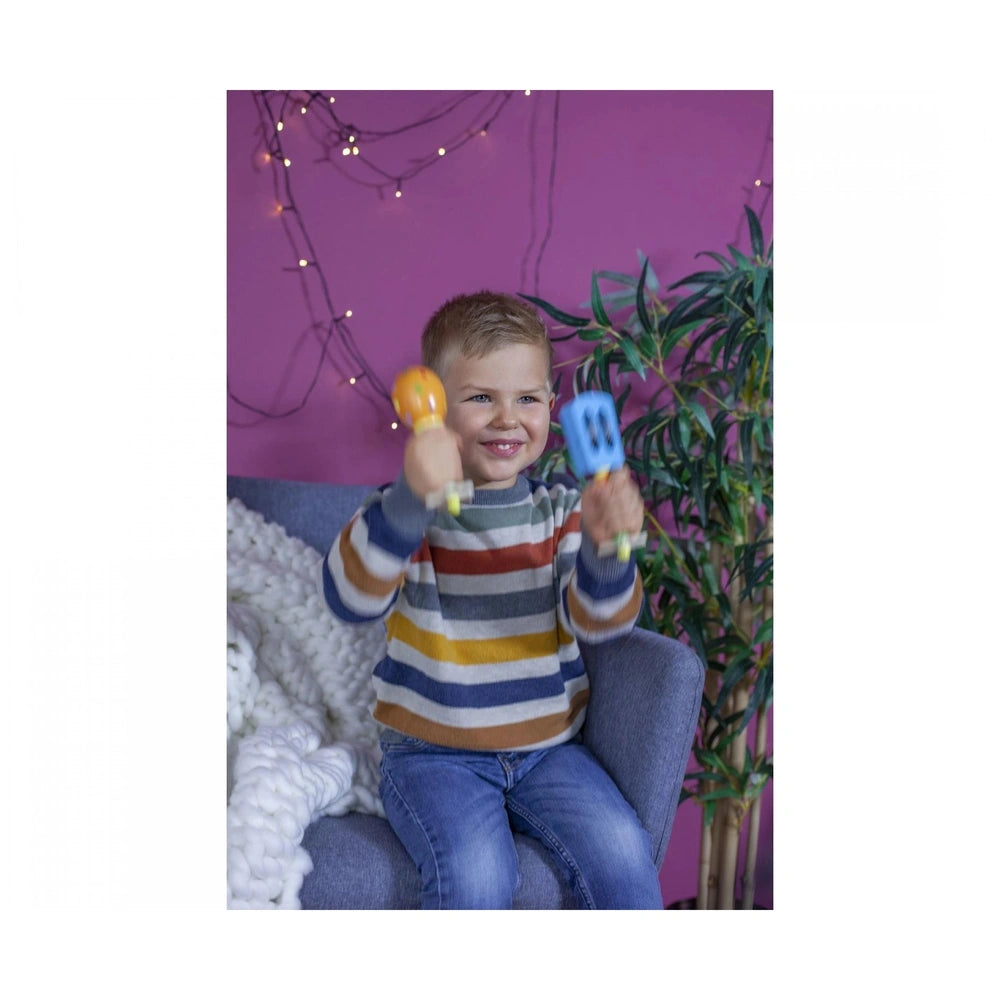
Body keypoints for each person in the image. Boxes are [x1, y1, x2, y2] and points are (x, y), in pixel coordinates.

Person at [321, 290, 663, 909]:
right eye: (481, 397)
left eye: (527, 398)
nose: (508, 419)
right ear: (435, 407)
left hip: (548, 751)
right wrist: (409, 498)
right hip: (433, 757)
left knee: (623, 853)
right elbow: (350, 600)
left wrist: (609, 549)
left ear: (552, 409)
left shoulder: (562, 514)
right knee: (478, 881)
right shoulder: (403, 513)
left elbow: (603, 621)